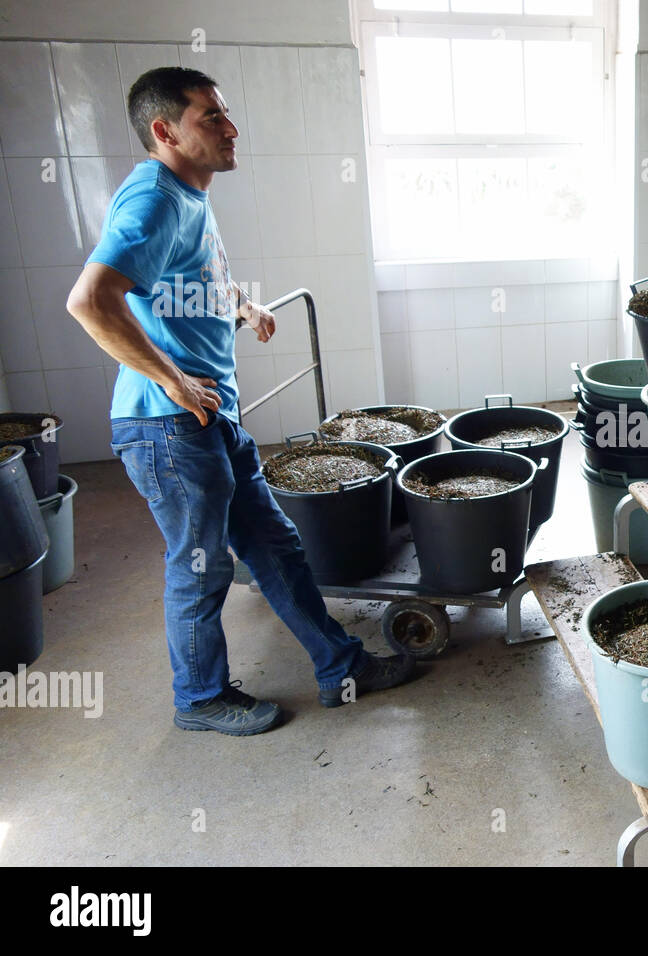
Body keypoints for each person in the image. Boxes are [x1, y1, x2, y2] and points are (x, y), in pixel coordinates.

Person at [66, 67, 417, 736]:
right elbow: (89, 301)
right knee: (201, 566)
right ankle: (198, 699)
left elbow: (177, 280)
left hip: (210, 417)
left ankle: (340, 665)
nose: (230, 129)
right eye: (210, 118)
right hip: (166, 426)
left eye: (226, 113)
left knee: (276, 546)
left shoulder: (187, 192)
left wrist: (240, 304)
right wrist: (171, 378)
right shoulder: (153, 202)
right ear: (164, 131)